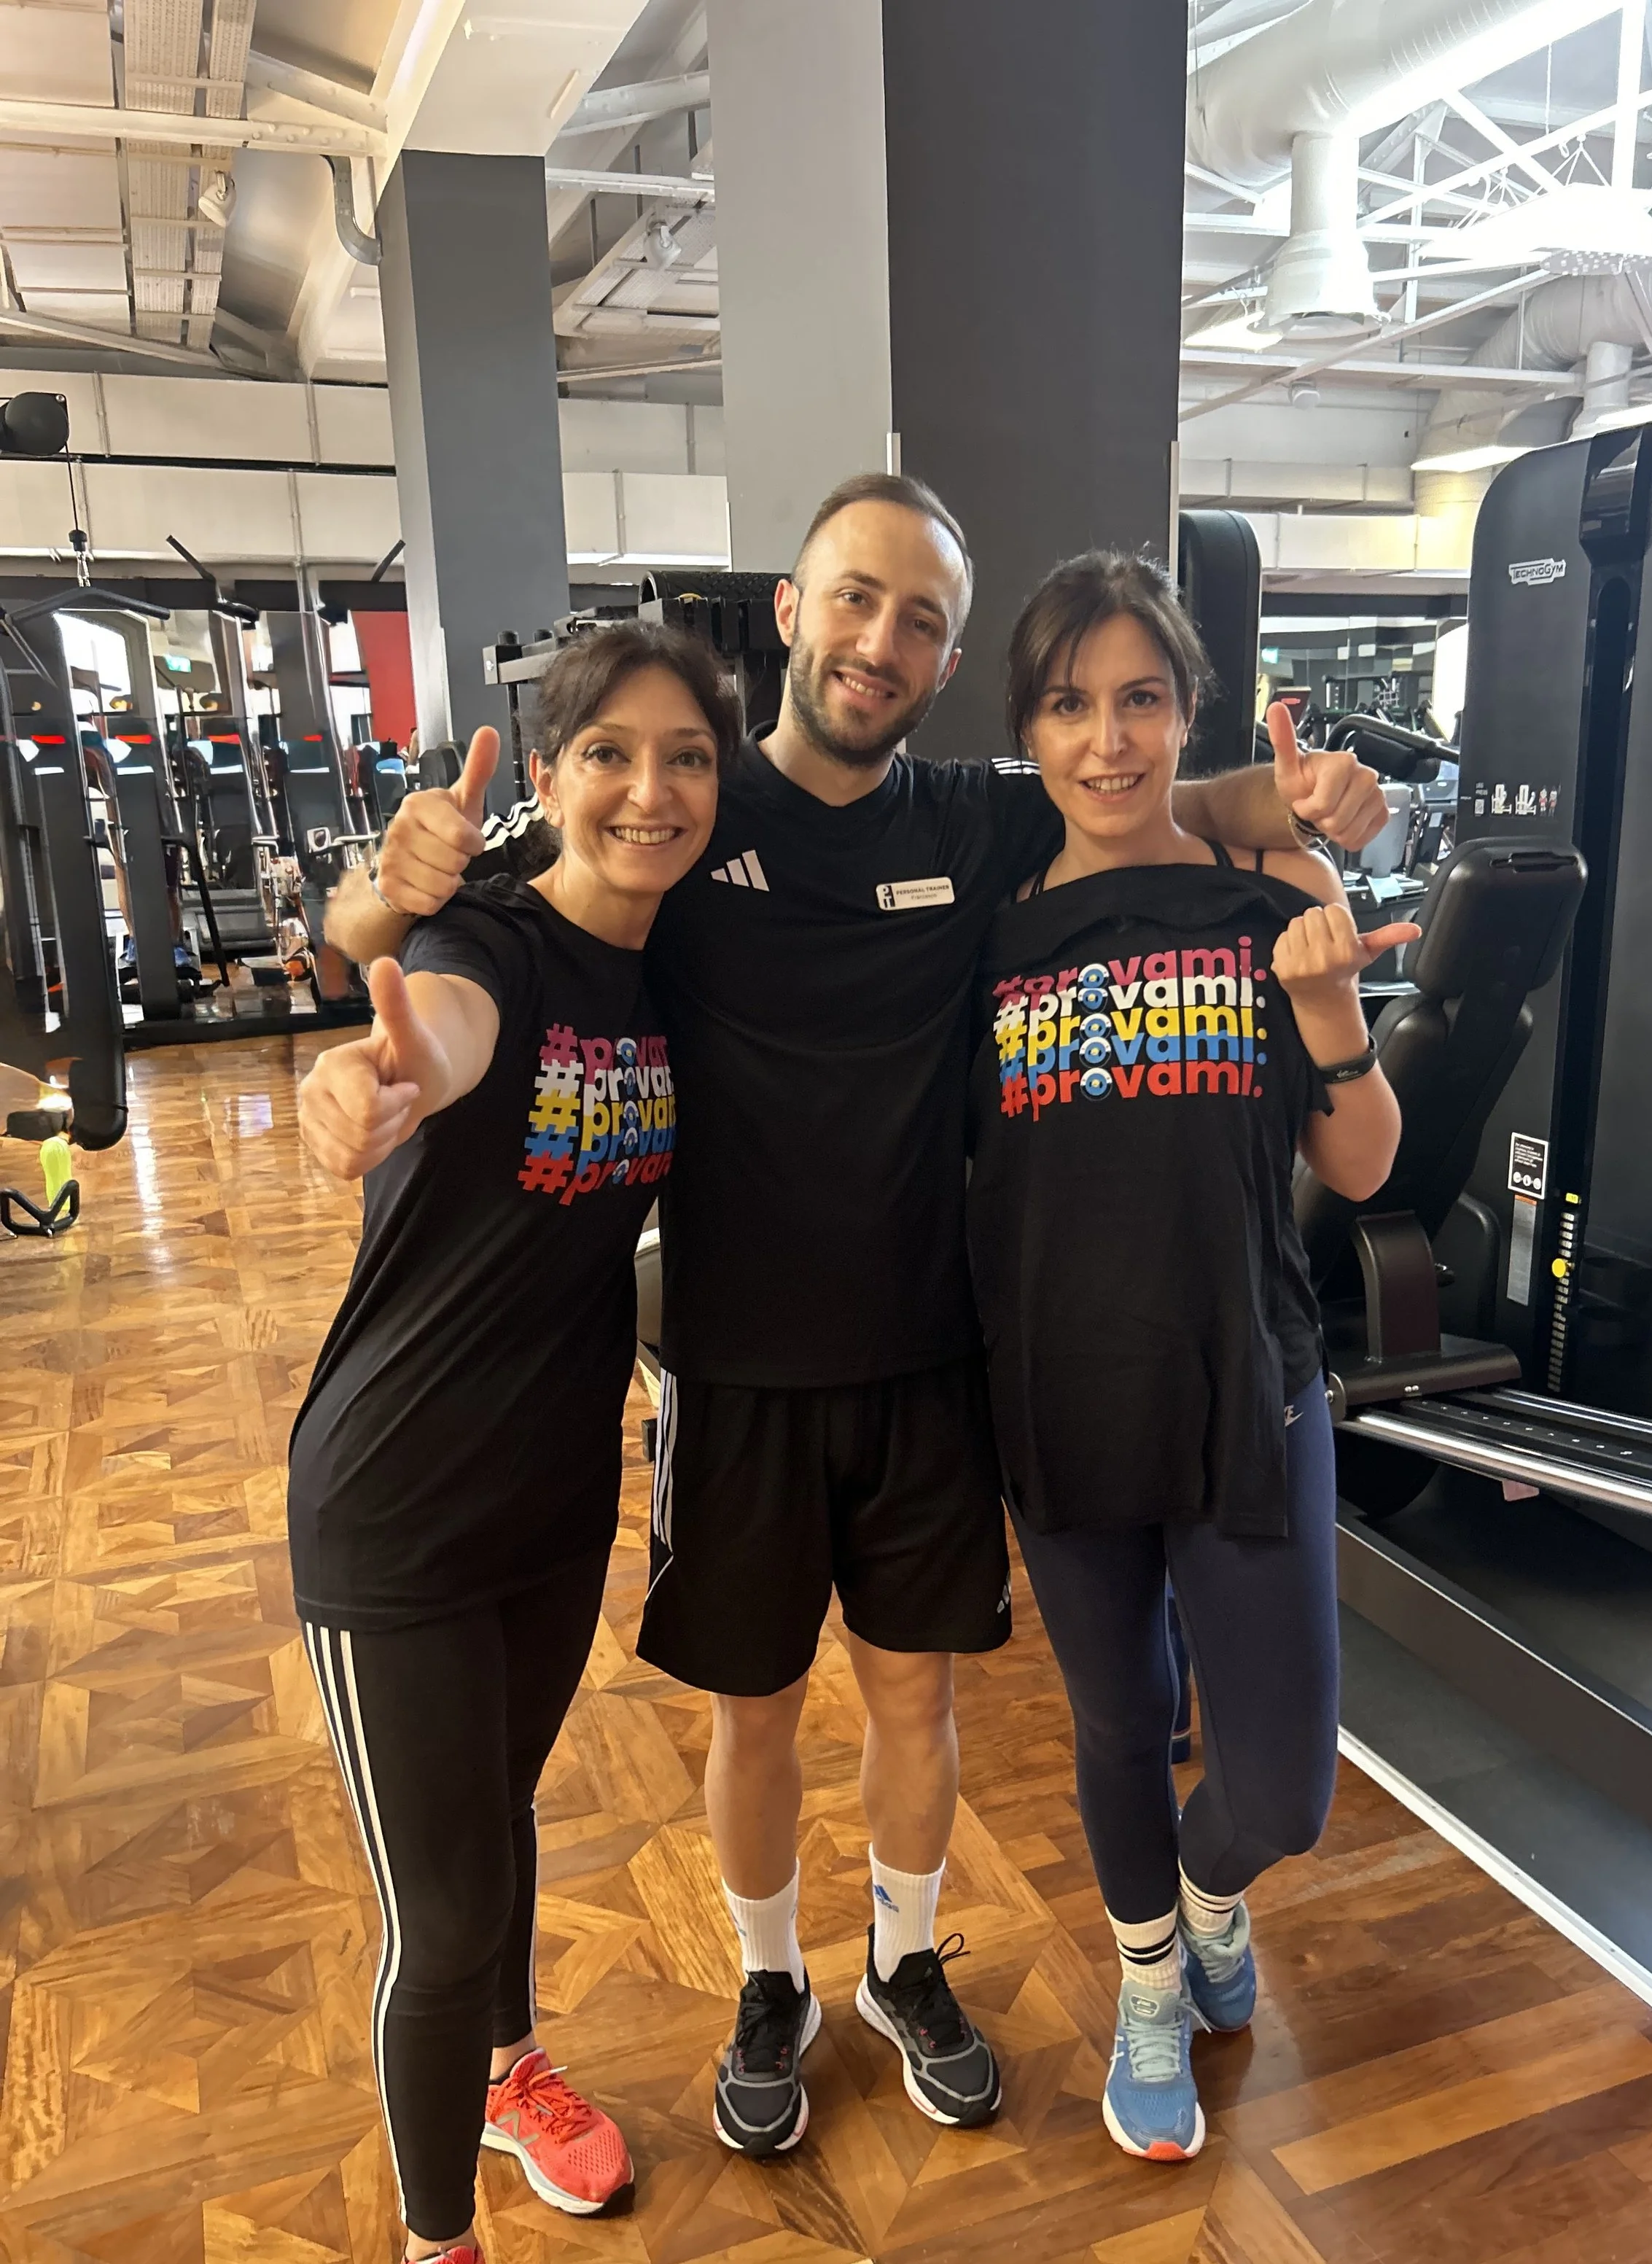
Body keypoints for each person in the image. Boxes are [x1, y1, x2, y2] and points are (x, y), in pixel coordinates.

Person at [313, 471, 1390, 2163]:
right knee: (754, 1714)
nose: (879, 638)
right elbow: (453, 926)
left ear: (946, 658)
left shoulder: (963, 817)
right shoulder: (679, 802)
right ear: (795, 610)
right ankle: (768, 1985)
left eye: (920, 619)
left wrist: (1306, 794)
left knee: (915, 1707)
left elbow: (1126, 780)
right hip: (734, 1368)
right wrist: (374, 927)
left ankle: (898, 1963)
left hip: (928, 1358)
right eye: (855, 598)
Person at [290, 623, 735, 2264]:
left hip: (555, 1495)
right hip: (390, 1504)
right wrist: (380, 1052)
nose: (650, 788)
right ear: (543, 777)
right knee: (444, 1895)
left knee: (499, 1813)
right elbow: (432, 1017)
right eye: (608, 754)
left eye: (687, 755)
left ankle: (506, 2062)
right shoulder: (495, 944)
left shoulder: (680, 965)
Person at [967, 552, 1413, 2163]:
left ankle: (1211, 1889)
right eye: (1069, 705)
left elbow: (1360, 1166)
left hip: (1247, 1381)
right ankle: (1149, 1976)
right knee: (1118, 1715)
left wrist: (1332, 1023)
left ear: (1185, 713)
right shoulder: (989, 925)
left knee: (1279, 1786)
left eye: (1139, 700)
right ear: (1027, 726)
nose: (1106, 741)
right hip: (1059, 1394)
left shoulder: (1273, 895)